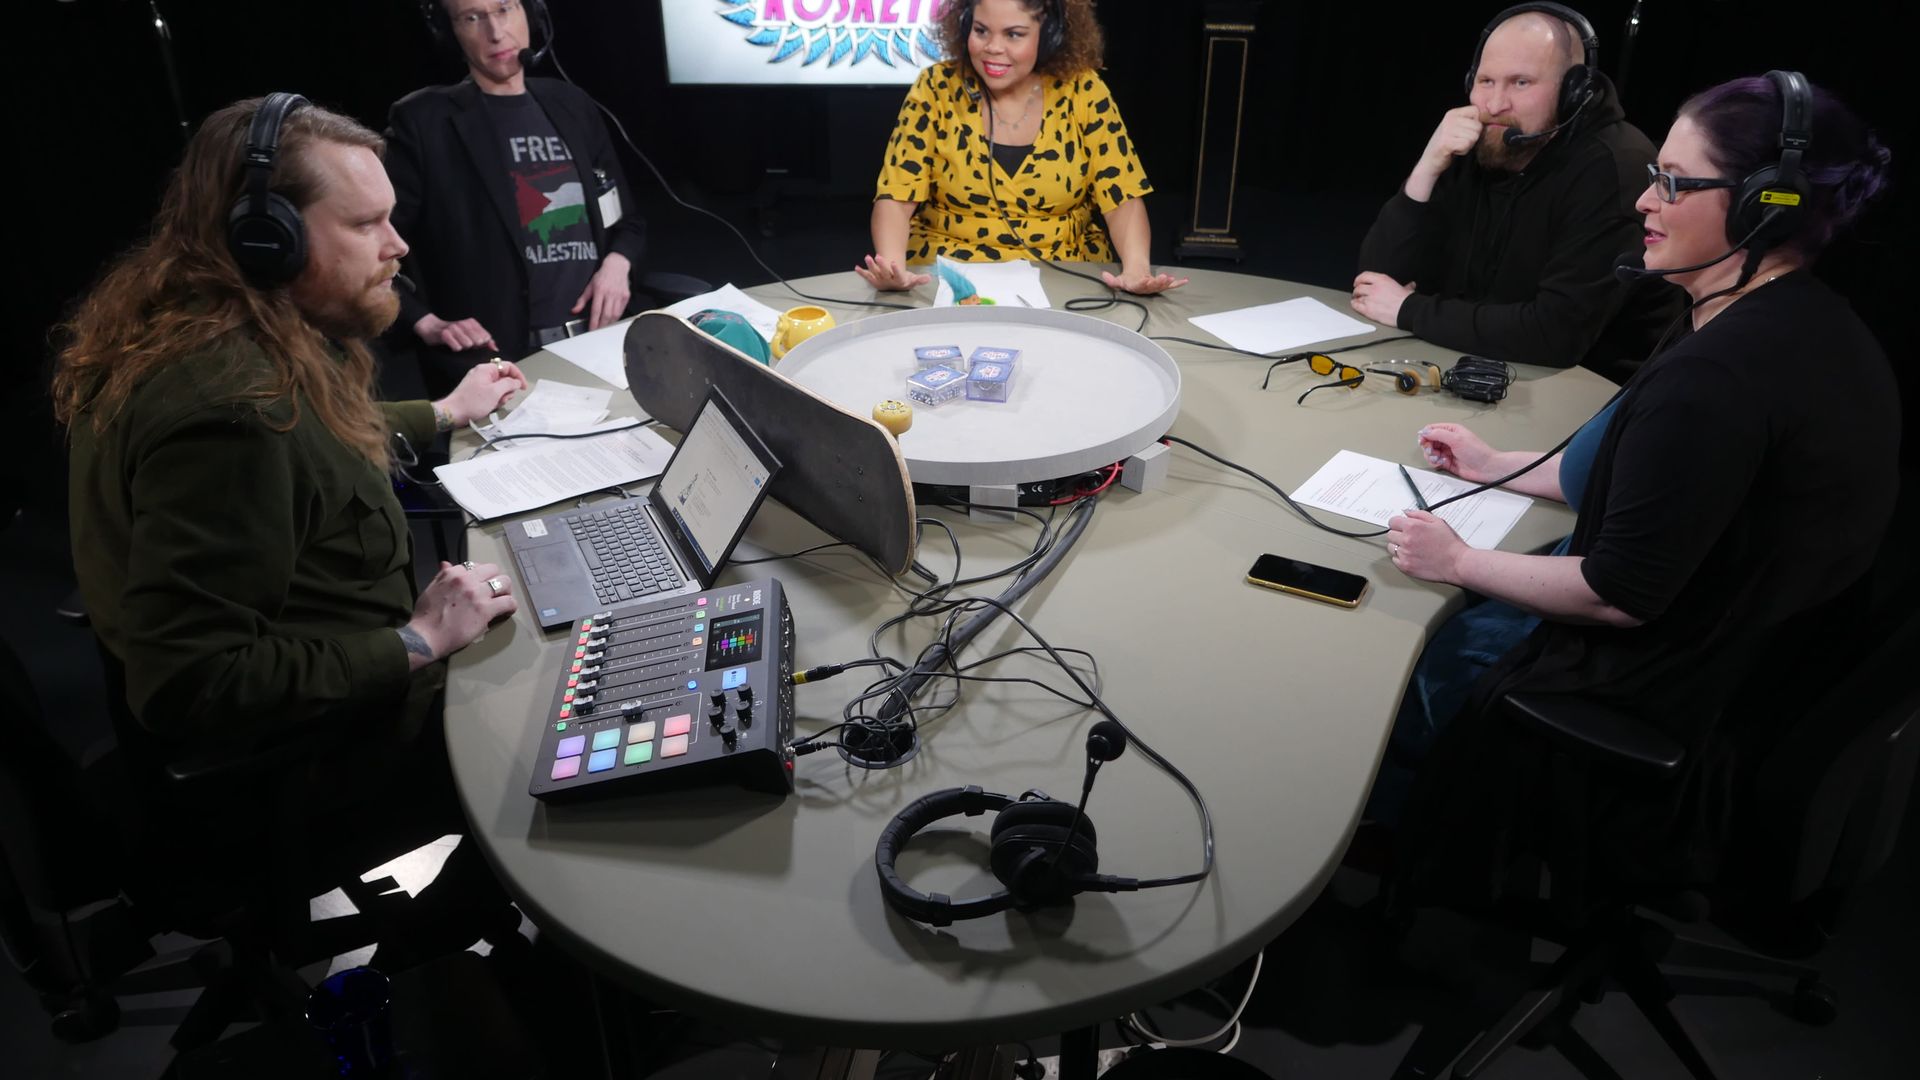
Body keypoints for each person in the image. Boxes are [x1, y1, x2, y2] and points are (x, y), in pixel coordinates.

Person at [1380, 72, 1897, 895]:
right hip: (1740, 654)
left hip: (1650, 681)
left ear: (1763, 208)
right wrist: (1497, 467)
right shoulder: (1776, 312)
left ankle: (1401, 867)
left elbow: (1617, 594)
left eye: (1676, 184)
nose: (1645, 202)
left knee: (1394, 665)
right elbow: (1652, 479)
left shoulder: (1721, 380)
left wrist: (1458, 562)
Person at [1353, 4, 1681, 384]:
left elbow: (1555, 335)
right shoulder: (1479, 141)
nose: (1495, 105)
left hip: (1587, 390)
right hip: (1475, 367)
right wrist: (1427, 167)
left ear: (1574, 92)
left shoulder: (1614, 168)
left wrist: (1409, 309)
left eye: (1521, 83)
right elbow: (1373, 284)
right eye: (1486, 81)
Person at [387, 0, 646, 391]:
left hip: (599, 348)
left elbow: (627, 221)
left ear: (532, 14)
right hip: (498, 368)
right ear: (449, 32)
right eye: (472, 18)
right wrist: (423, 321)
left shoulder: (572, 104)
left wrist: (618, 262)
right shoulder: (424, 121)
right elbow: (370, 246)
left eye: (505, 8)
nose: (495, 32)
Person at [858, 0, 1186, 295]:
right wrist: (893, 267)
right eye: (981, 30)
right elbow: (896, 196)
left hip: (1064, 274)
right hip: (949, 276)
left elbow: (1122, 198)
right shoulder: (936, 88)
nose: (993, 48)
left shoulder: (1083, 90)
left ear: (1050, 36)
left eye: (1014, 34)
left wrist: (1136, 269)